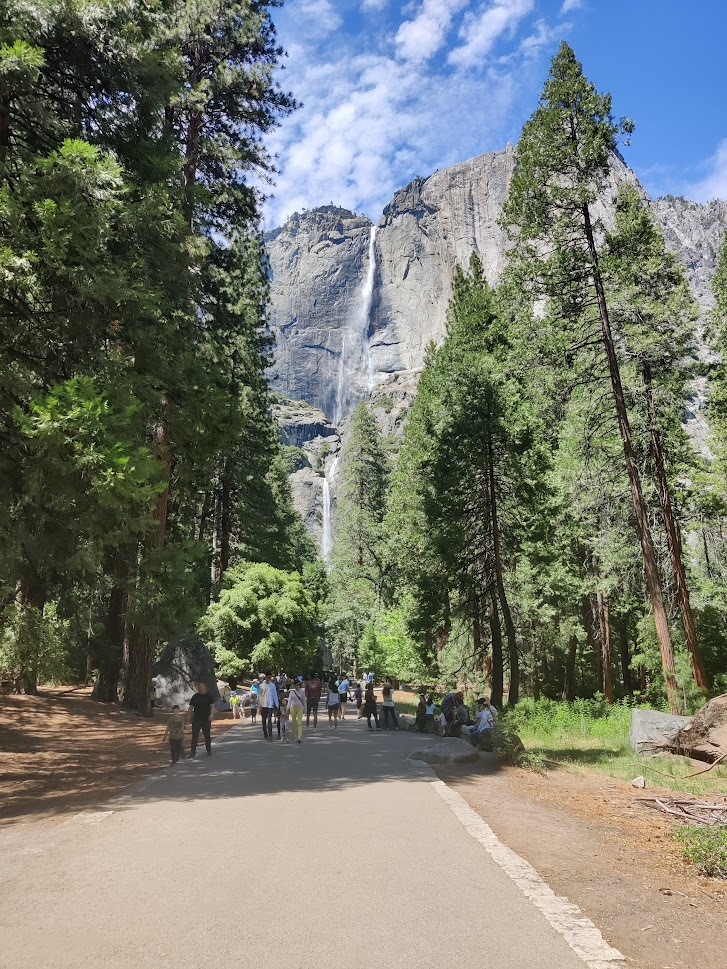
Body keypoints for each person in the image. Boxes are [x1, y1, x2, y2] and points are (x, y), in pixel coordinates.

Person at [187, 681, 215, 757]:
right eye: (199, 687)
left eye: (201, 687)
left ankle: (208, 750)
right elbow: (191, 707)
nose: (200, 689)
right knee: (194, 736)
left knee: (207, 735)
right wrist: (188, 717)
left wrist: (212, 714)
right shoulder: (195, 697)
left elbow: (212, 706)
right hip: (196, 719)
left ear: (205, 687)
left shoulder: (209, 696)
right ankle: (192, 752)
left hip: (206, 719)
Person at [258, 673, 279, 740]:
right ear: (266, 677)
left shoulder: (272, 686)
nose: (269, 679)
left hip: (270, 705)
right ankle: (265, 734)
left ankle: (270, 735)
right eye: (268, 677)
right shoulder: (261, 686)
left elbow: (275, 695)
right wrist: (259, 705)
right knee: (264, 720)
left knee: (269, 720)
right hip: (263, 705)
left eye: (270, 678)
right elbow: (259, 696)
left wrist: (277, 704)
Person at [287, 678, 307, 744]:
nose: (297, 686)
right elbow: (289, 701)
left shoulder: (302, 692)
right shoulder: (292, 692)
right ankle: (295, 736)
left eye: (298, 685)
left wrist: (305, 709)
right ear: (294, 685)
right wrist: (287, 709)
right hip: (293, 708)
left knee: (299, 722)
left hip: (300, 708)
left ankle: (299, 737)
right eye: (296, 685)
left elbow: (304, 700)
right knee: (294, 722)